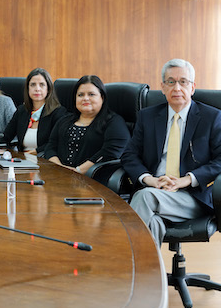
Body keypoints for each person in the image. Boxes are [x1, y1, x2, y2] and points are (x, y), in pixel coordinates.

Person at [122, 59, 221, 247]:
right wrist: (150, 180)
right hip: (155, 189)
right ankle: (148, 267)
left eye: (183, 82)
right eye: (171, 82)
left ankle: (122, 261)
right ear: (163, 87)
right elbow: (129, 155)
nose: (177, 88)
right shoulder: (147, 116)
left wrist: (187, 179)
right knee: (153, 223)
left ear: (192, 87)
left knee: (144, 197)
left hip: (192, 196)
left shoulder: (211, 117)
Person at [43, 75, 130, 174]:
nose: (85, 98)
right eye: (80, 95)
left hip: (93, 178)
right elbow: (51, 147)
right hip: (58, 175)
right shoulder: (64, 120)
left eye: (91, 94)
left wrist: (77, 171)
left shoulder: (114, 122)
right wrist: (59, 168)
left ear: (102, 97)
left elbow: (110, 152)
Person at [4, 68, 68, 153]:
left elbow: (56, 143)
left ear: (48, 89)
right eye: (33, 85)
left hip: (45, 158)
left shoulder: (58, 113)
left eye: (42, 85)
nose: (37, 89)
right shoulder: (22, 111)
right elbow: (6, 137)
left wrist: (36, 152)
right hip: (22, 158)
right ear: (28, 88)